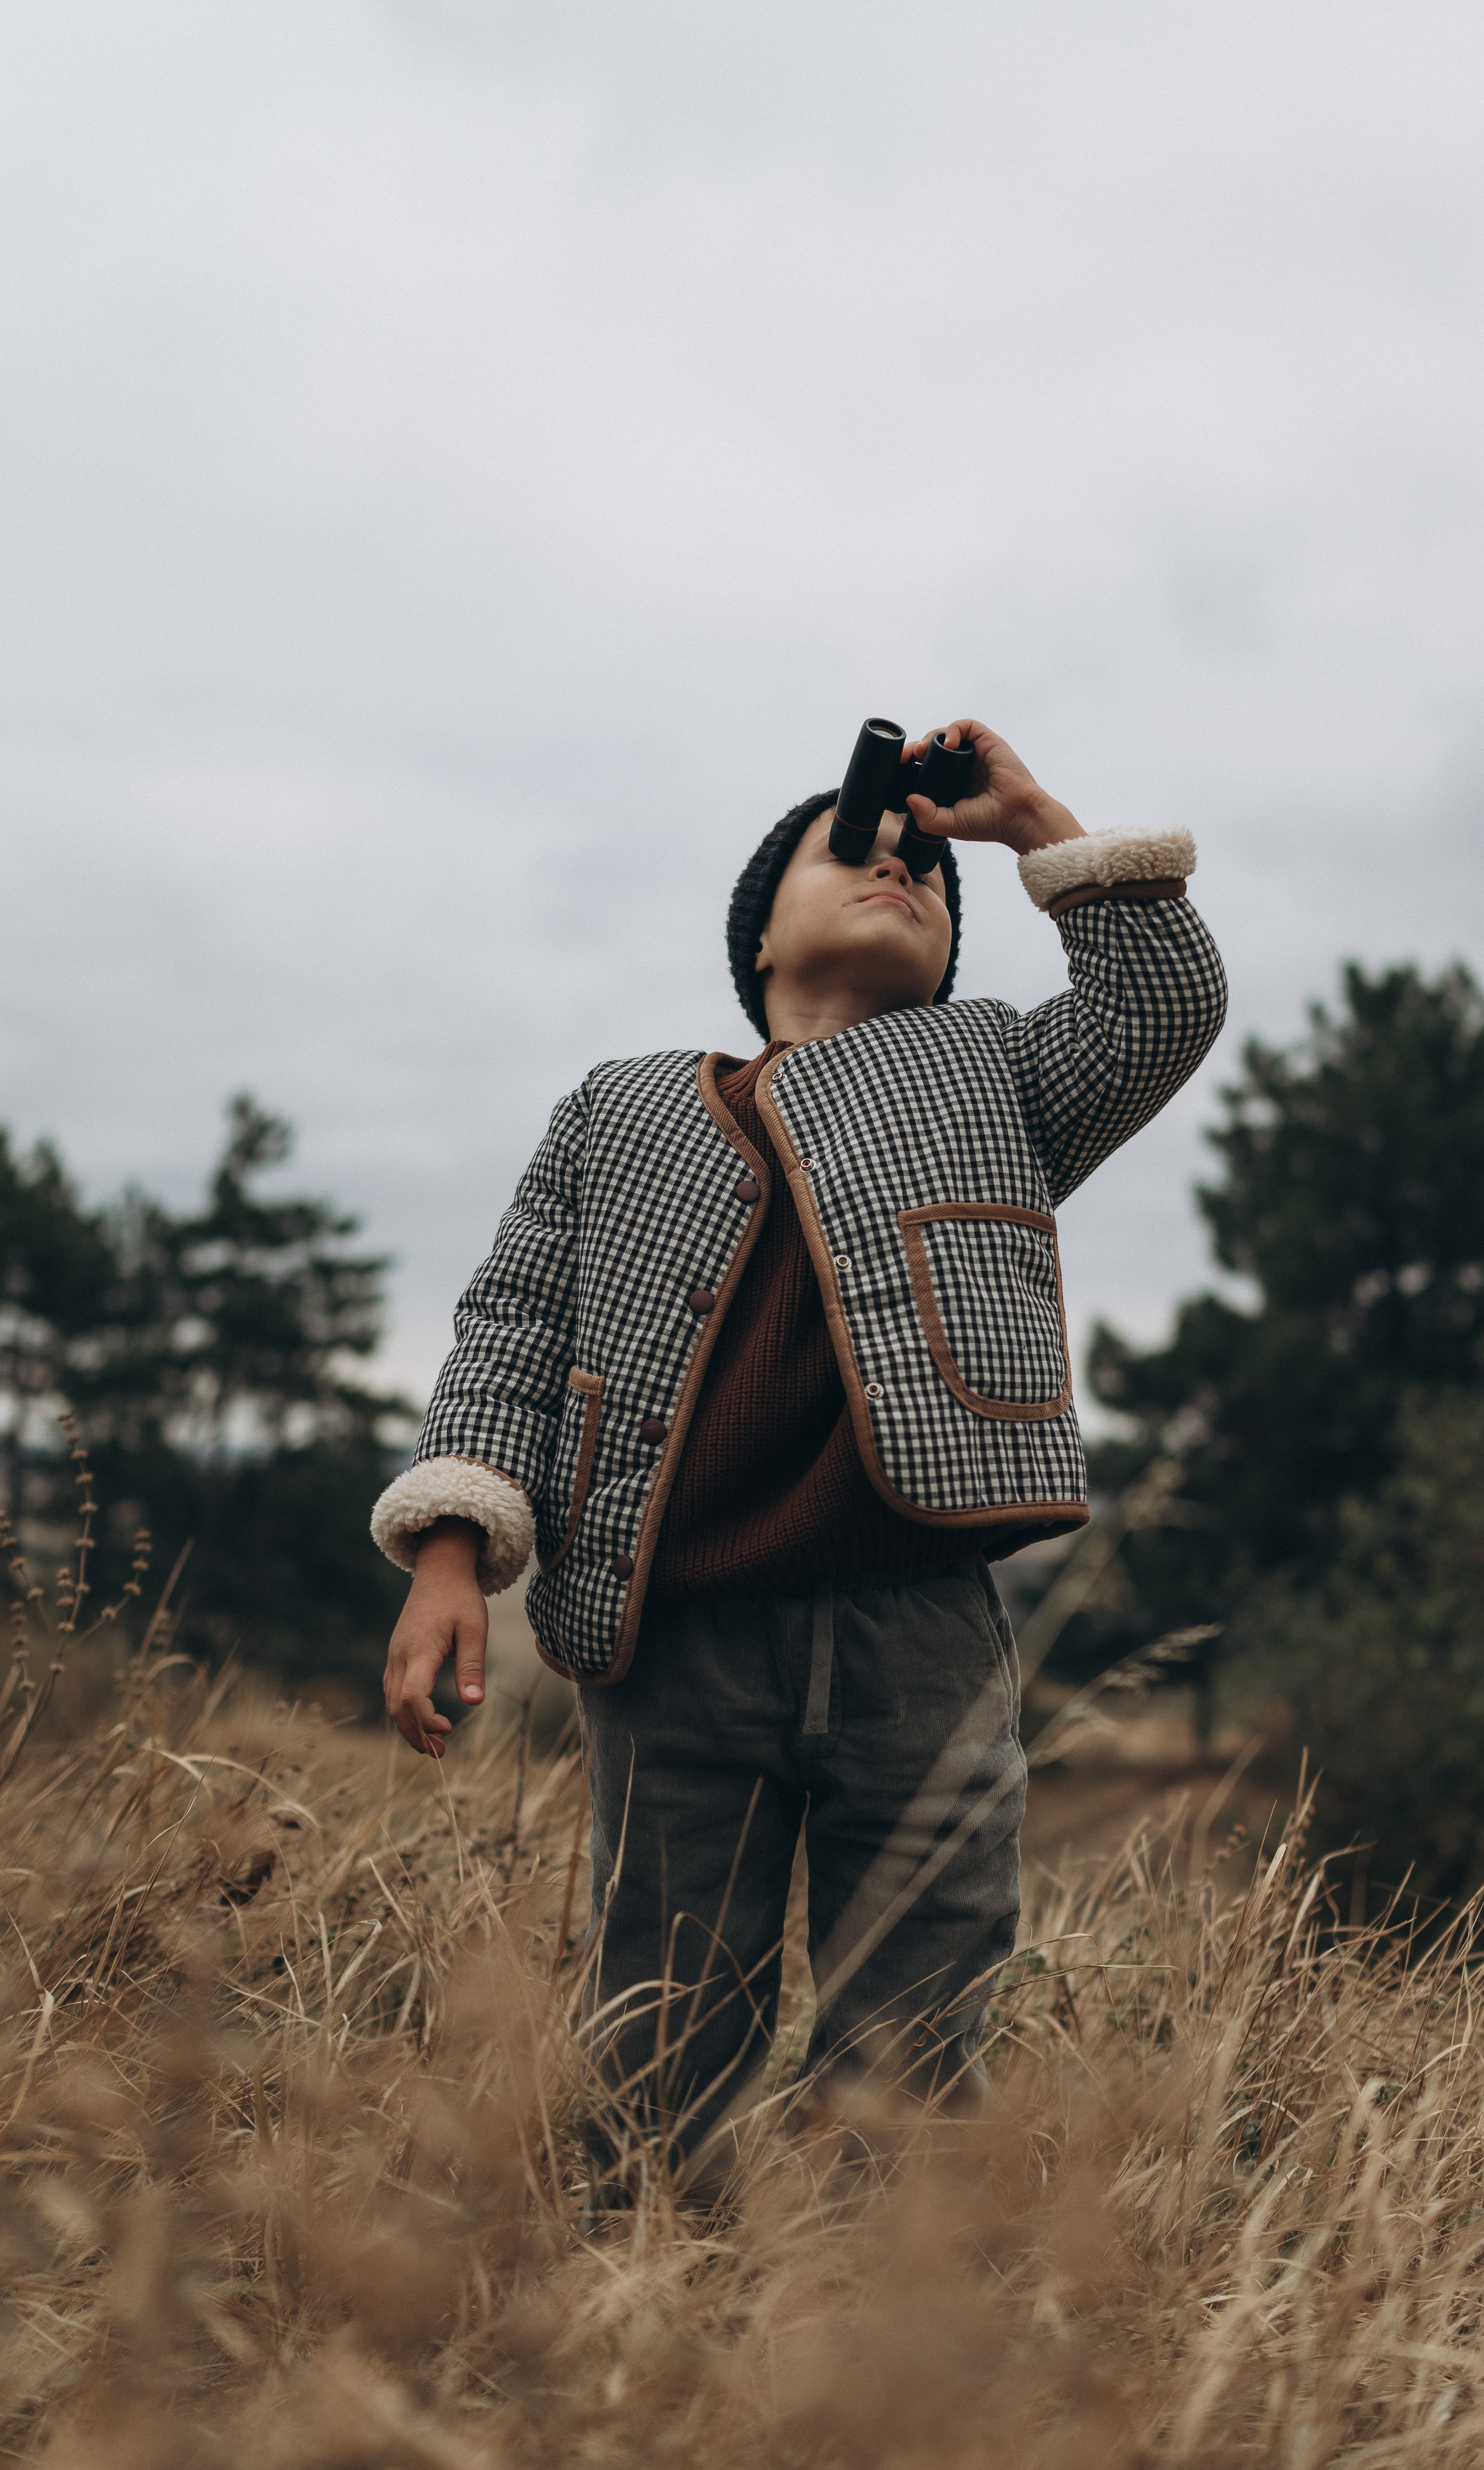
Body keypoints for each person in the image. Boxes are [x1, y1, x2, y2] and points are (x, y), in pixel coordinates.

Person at [373, 719, 1226, 2179]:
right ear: (757, 939)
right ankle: (643, 2262)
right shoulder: (618, 1109)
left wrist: (1029, 824)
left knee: (918, 2015)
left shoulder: (994, 1074)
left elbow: (1160, 1006)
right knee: (663, 2012)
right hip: (675, 1630)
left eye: (928, 872)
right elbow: (512, 1322)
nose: (901, 866)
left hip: (923, 1628)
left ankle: (873, 2286)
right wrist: (451, 1550)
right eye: (851, 850)